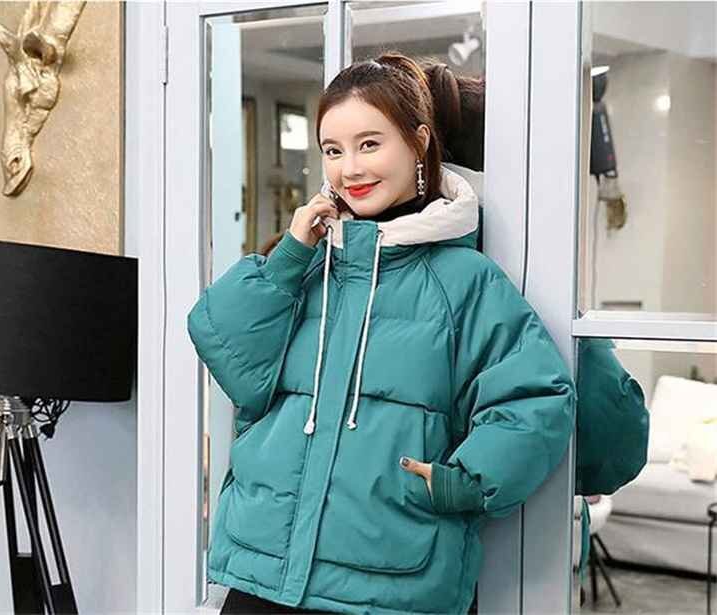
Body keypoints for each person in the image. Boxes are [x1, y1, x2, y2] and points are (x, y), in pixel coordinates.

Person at [188, 52, 576, 614]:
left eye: (369, 144)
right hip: (265, 571)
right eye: (332, 150)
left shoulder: (463, 279)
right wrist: (291, 254)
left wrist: (464, 480)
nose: (350, 169)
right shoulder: (305, 266)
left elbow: (536, 397)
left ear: (418, 143)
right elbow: (233, 357)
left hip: (391, 581)